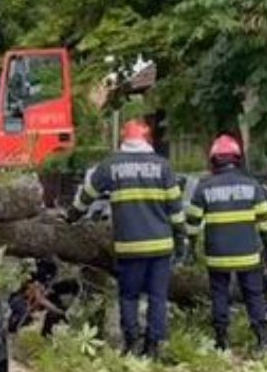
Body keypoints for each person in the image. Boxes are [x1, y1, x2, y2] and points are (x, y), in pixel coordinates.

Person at [68, 120, 186, 359]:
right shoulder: (163, 167)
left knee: (129, 296)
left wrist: (71, 216)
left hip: (129, 246)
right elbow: (176, 209)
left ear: (125, 140)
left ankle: (131, 343)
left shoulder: (110, 165)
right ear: (148, 140)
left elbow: (86, 195)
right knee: (157, 297)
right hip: (160, 246)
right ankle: (153, 347)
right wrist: (181, 240)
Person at [185, 135, 267, 352]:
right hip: (248, 253)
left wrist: (190, 247)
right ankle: (262, 339)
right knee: (254, 294)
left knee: (219, 294)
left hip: (217, 254)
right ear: (237, 159)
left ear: (214, 160)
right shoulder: (253, 186)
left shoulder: (204, 187)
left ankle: (221, 340)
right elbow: (265, 221)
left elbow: (193, 222)